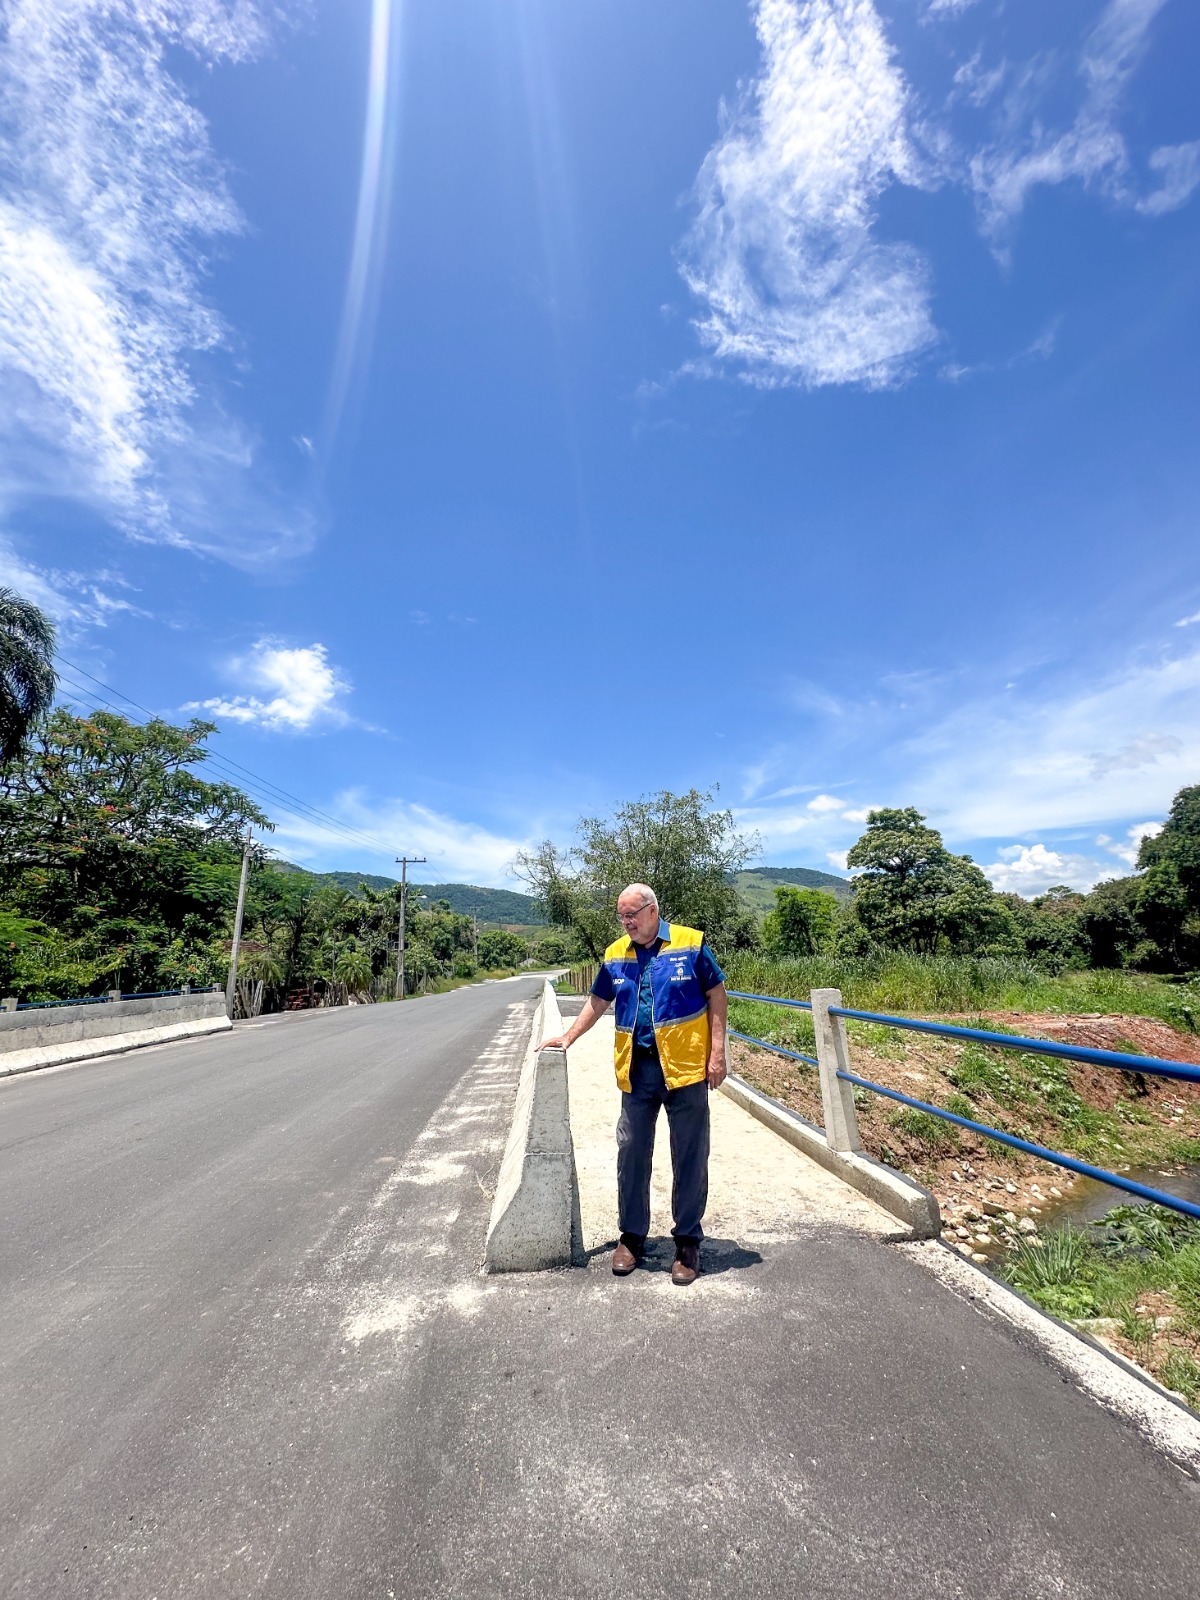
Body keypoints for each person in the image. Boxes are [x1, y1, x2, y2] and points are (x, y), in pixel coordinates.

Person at [539, 883, 728, 1286]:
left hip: (685, 1069)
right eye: (621, 917)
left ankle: (688, 1242)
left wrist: (717, 1054)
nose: (626, 923)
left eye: (632, 915)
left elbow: (717, 994)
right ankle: (631, 1237)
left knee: (690, 1156)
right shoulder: (614, 954)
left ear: (652, 911)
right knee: (631, 1153)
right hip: (637, 1070)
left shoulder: (690, 944)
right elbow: (597, 1001)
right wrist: (569, 1037)